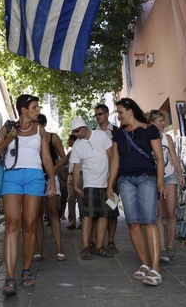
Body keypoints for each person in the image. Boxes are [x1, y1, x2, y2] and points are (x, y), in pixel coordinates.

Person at [0, 94, 56, 295]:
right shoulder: (8, 128)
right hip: (12, 177)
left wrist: (51, 179)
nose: (38, 110)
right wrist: (9, 139)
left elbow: (46, 157)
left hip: (35, 176)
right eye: (35, 107)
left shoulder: (39, 130)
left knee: (29, 224)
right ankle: (10, 277)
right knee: (12, 223)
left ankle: (26, 270)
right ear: (24, 110)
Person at [108, 97, 166, 286]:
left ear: (130, 111)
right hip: (125, 180)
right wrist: (110, 184)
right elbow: (115, 160)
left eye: (120, 112)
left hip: (146, 178)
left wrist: (160, 182)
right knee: (132, 223)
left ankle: (156, 269)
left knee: (149, 222)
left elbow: (159, 158)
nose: (119, 116)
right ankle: (144, 264)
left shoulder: (150, 130)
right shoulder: (118, 134)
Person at [69, 116, 116, 259]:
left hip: (107, 184)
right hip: (89, 184)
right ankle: (85, 247)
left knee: (106, 215)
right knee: (87, 215)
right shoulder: (77, 145)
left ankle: (100, 246)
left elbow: (111, 157)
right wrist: (77, 186)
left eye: (77, 131)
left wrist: (111, 181)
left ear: (84, 127)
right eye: (74, 132)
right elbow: (76, 167)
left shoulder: (101, 135)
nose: (76, 134)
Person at [149, 109, 184, 263]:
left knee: (170, 213)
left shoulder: (167, 138)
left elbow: (174, 157)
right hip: (155, 178)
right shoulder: (148, 137)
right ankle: (161, 248)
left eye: (163, 120)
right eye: (160, 120)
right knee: (158, 213)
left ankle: (170, 246)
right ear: (152, 122)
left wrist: (180, 174)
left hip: (169, 176)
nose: (163, 123)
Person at [32, 114, 68, 262]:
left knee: (53, 214)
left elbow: (64, 157)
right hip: (35, 178)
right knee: (37, 216)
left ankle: (59, 249)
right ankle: (40, 250)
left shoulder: (53, 137)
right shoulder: (31, 137)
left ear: (44, 124)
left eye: (39, 123)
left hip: (50, 178)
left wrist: (53, 168)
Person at [94, 103, 119, 254]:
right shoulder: (93, 133)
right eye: (96, 115)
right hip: (98, 178)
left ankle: (111, 241)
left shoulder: (116, 131)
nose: (98, 117)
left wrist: (114, 176)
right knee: (98, 211)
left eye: (100, 114)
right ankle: (98, 242)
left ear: (107, 114)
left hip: (114, 177)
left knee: (113, 209)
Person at [65, 133, 83, 229]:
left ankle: (83, 221)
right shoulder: (71, 152)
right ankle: (72, 221)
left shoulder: (80, 149)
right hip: (71, 176)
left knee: (80, 198)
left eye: (69, 139)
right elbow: (64, 160)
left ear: (74, 140)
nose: (68, 141)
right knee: (70, 198)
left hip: (79, 175)